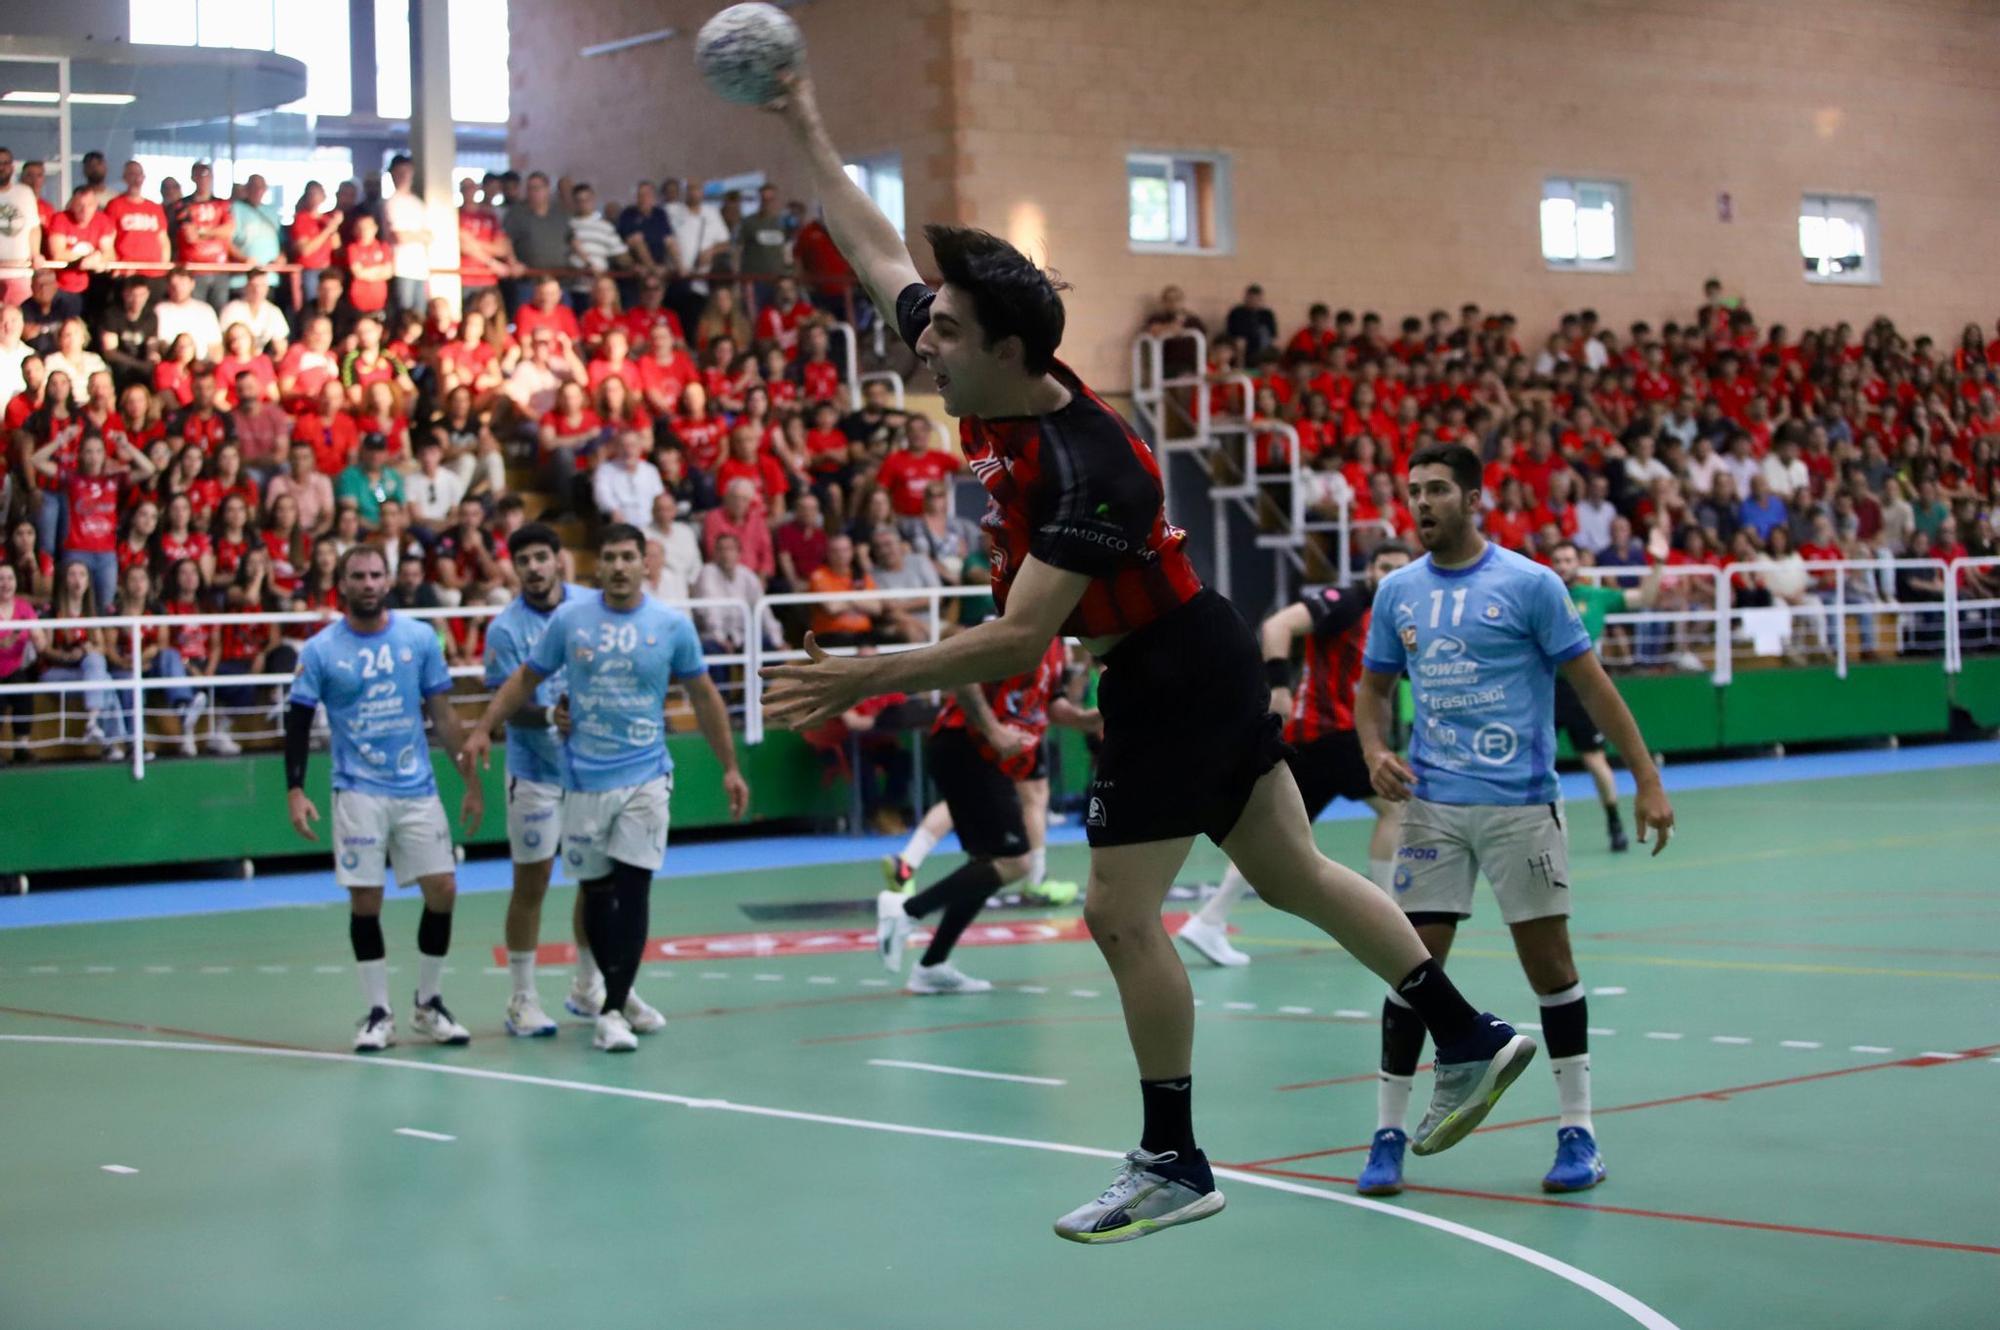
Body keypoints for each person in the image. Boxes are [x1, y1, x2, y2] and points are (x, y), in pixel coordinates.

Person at [757, 70, 1535, 1244]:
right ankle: (1469, 1037)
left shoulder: (1090, 467)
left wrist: (858, 672)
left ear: (1010, 350)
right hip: (1196, 654)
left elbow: (1020, 634)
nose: (924, 345)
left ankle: (1172, 1158)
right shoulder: (981, 368)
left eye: (949, 334)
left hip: (1172, 670)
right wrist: (803, 117)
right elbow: (866, 241)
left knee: (1120, 915)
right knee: (1292, 877)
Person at [1352, 443, 1676, 1200]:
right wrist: (1372, 750)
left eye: (1436, 490)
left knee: (1550, 967)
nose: (1421, 503)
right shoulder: (1398, 591)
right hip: (1432, 807)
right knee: (1411, 968)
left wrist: (1647, 780)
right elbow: (1370, 692)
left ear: (1474, 498)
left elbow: (1594, 690)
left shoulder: (1531, 584)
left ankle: (1578, 1132)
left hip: (1521, 804)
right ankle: (1387, 1135)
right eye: (1413, 491)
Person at [462, 524, 751, 1053]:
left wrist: (729, 766)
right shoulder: (567, 622)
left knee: (633, 887)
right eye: (610, 557)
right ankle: (542, 995)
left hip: (645, 775)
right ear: (597, 566)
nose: (619, 567)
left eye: (628, 557)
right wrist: (484, 727)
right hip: (575, 777)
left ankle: (612, 1001)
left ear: (647, 564)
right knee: (586, 890)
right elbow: (525, 679)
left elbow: (706, 696)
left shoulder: (670, 625)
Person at [1175, 542, 1416, 968]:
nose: (1389, 575)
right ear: (1370, 571)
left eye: (1400, 568)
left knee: (1278, 842)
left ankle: (1209, 920)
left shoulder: (1396, 617)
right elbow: (1279, 625)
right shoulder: (1345, 602)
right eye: (1383, 566)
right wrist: (1280, 685)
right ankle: (1392, 918)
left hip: (1323, 739)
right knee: (1395, 810)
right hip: (1333, 732)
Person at [283, 543, 484, 1052]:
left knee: (443, 888)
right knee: (366, 900)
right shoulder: (321, 650)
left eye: (376, 575)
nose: (368, 583)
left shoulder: (419, 638)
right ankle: (378, 1012)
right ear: (343, 584)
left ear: (388, 581)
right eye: (358, 576)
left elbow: (442, 714)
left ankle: (429, 1002)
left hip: (416, 787)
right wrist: (295, 789)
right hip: (357, 791)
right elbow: (299, 721)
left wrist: (471, 783)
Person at [875, 638, 1081, 992]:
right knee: (1015, 862)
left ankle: (932, 966)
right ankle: (906, 911)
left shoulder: (1057, 644)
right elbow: (962, 678)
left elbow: (1053, 705)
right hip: (966, 745)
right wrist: (995, 731)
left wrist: (1091, 719)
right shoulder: (1013, 633)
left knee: (988, 865)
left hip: (983, 753)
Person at [475, 523, 608, 1036]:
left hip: (589, 768)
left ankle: (589, 986)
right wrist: (553, 715)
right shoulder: (506, 629)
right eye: (523, 560)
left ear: (558, 561)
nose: (532, 568)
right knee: (532, 883)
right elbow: (508, 705)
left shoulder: (590, 609)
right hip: (534, 772)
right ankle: (522, 999)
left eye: (540, 558)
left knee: (595, 881)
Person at [1548, 538, 1665, 851]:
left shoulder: (1595, 597)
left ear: (1579, 563)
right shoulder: (1543, 594)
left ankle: (1614, 821)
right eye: (1557, 560)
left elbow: (1644, 597)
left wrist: (1658, 563)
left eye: (1568, 560)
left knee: (1595, 760)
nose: (1563, 566)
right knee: (1539, 762)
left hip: (1583, 690)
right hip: (1545, 688)